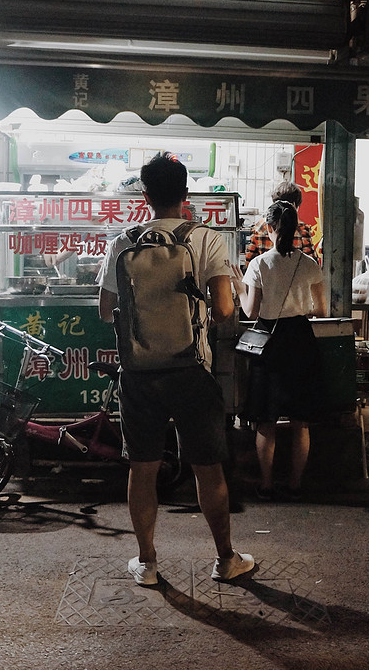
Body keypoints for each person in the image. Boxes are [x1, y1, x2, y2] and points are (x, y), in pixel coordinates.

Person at [97, 153, 255, 586]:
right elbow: (224, 308)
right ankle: (225, 558)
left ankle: (147, 563)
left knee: (142, 468)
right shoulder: (204, 239)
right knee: (208, 467)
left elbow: (105, 311)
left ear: (145, 195)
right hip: (191, 370)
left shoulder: (122, 242)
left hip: (138, 372)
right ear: (186, 194)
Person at [230, 200, 327, 502]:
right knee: (300, 421)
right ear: (296, 229)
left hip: (269, 343)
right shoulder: (310, 264)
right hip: (301, 340)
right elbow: (322, 310)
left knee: (266, 419)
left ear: (270, 229)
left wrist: (237, 284)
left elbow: (250, 311)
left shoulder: (259, 264)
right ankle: (296, 484)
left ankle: (267, 484)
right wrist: (297, 309)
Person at [244, 181, 318, 264]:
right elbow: (312, 264)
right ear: (295, 206)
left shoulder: (260, 227)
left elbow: (249, 261)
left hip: (266, 275)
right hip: (293, 276)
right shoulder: (301, 229)